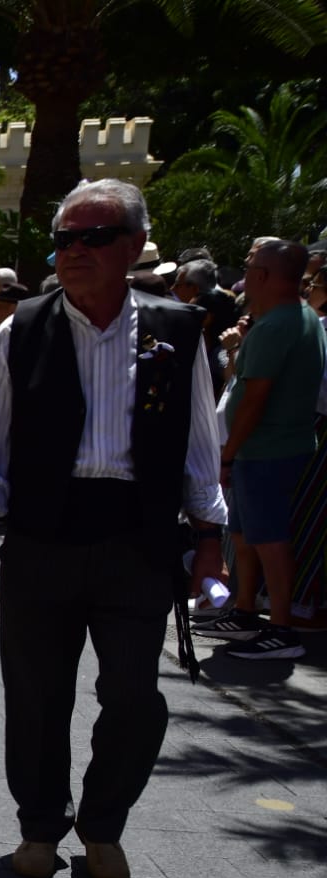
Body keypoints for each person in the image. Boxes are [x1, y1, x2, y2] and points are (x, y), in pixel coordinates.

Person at [0, 178, 227, 878]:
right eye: (64, 239)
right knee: (37, 695)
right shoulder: (24, 328)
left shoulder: (177, 330)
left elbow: (202, 441)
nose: (73, 251)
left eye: (92, 237)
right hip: (44, 535)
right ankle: (41, 824)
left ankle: (103, 824)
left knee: (135, 696)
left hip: (137, 538)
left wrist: (210, 538)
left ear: (134, 246)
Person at [195, 240, 324, 661]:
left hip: (267, 448)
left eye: (249, 268)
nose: (243, 276)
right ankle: (246, 610)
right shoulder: (296, 319)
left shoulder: (277, 326)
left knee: (269, 538)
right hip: (266, 447)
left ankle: (282, 628)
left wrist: (229, 452)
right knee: (246, 532)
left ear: (264, 276)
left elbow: (255, 398)